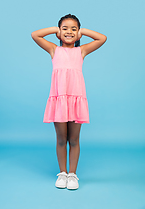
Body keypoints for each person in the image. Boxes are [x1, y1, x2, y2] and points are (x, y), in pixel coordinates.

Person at [31, 14, 107, 190]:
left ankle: (73, 175)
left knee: (74, 139)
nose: (69, 32)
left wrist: (82, 32)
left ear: (78, 33)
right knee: (60, 139)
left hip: (75, 100)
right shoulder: (53, 50)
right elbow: (35, 35)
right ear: (58, 33)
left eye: (74, 29)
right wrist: (56, 30)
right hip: (59, 100)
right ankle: (63, 173)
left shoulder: (81, 51)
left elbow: (102, 38)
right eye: (65, 28)